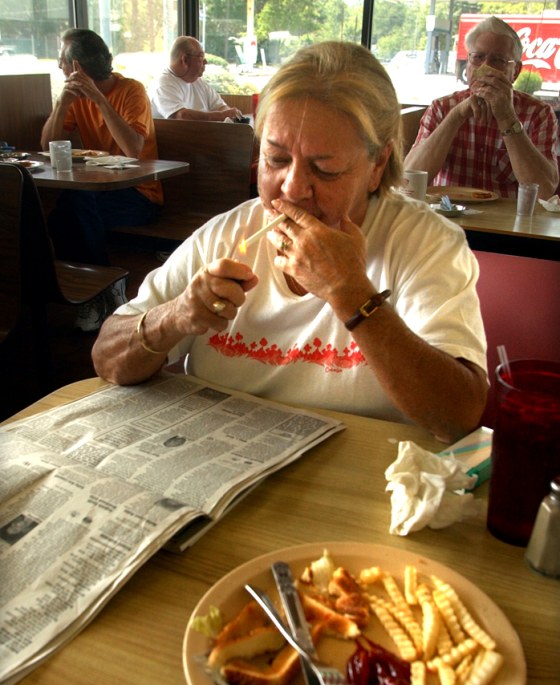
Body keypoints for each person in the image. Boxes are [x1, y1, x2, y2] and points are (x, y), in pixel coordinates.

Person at [93, 41, 488, 444]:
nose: (294, 188)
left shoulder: (426, 243)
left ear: (377, 165)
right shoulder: (227, 234)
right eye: (276, 159)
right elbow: (107, 359)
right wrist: (175, 317)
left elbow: (459, 416)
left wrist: (349, 293)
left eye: (325, 168)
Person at [41, 28, 163, 331]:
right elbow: (47, 147)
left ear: (78, 67)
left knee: (73, 207)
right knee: (59, 214)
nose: (59, 67)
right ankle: (101, 286)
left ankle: (101, 290)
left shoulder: (132, 91)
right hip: (97, 193)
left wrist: (97, 98)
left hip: (140, 194)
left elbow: (133, 148)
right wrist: (61, 105)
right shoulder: (74, 99)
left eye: (62, 61)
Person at [404, 17, 559, 200]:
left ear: (515, 71)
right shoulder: (442, 108)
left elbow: (545, 190)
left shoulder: (538, 113)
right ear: (468, 64)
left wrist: (507, 117)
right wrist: (456, 116)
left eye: (498, 60)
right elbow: (408, 179)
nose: (486, 67)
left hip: (508, 226)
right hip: (447, 220)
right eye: (478, 57)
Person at [149, 36, 243, 122]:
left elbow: (221, 107)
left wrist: (229, 115)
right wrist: (220, 116)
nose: (205, 62)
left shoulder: (197, 81)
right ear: (185, 60)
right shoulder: (164, 83)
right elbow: (181, 116)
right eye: (201, 57)